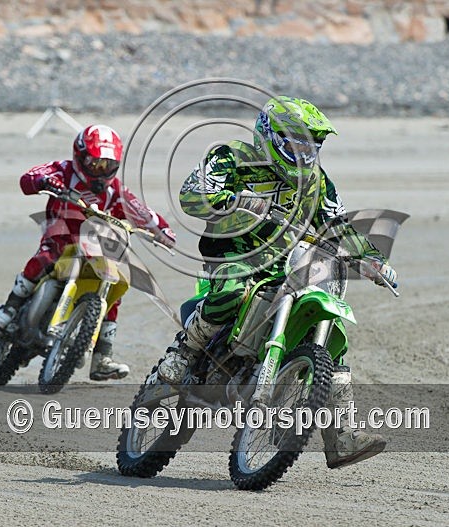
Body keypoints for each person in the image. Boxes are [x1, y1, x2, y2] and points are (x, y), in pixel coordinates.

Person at [158, 96, 397, 468]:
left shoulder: (318, 183)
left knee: (332, 339)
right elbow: (193, 194)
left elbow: (337, 226)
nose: (303, 154)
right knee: (233, 293)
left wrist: (372, 260)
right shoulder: (233, 157)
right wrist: (233, 200)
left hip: (290, 263)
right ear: (270, 135)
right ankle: (184, 351)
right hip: (235, 254)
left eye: (311, 146)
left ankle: (344, 436)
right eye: (296, 143)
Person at [0, 124, 176, 381]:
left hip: (95, 247)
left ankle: (102, 357)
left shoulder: (115, 192)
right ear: (79, 155)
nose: (101, 171)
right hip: (60, 239)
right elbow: (28, 178)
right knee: (44, 258)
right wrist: (45, 181)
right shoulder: (63, 171)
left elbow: (141, 212)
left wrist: (162, 231)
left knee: (116, 284)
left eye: (107, 165)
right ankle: (11, 307)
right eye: (95, 163)